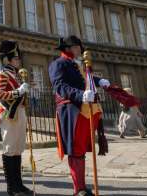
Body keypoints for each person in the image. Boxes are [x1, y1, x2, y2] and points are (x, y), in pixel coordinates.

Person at [48, 35, 111, 196]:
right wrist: (80, 95)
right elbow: (59, 86)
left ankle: (82, 186)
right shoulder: (58, 64)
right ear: (68, 48)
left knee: (80, 149)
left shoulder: (77, 65)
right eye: (77, 47)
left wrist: (99, 81)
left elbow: (85, 78)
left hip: (83, 110)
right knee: (75, 149)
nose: (80, 50)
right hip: (71, 110)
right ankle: (78, 189)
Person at [0, 40, 32, 196]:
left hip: (20, 113)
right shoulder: (1, 75)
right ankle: (11, 187)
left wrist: (25, 90)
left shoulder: (17, 76)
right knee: (9, 149)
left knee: (18, 149)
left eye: (18, 58)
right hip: (8, 114)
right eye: (16, 59)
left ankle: (19, 184)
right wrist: (18, 91)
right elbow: (1, 94)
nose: (19, 61)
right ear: (8, 60)